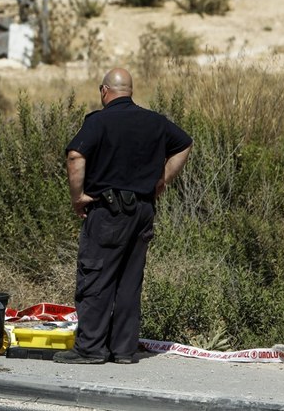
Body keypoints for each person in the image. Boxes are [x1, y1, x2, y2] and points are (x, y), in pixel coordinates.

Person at [54, 68, 193, 365]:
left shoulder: (99, 121)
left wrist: (78, 197)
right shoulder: (155, 122)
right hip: (143, 210)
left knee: (96, 277)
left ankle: (90, 349)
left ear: (105, 91)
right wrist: (162, 180)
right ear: (130, 90)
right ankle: (124, 350)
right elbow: (184, 144)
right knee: (129, 281)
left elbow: (76, 156)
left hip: (109, 211)